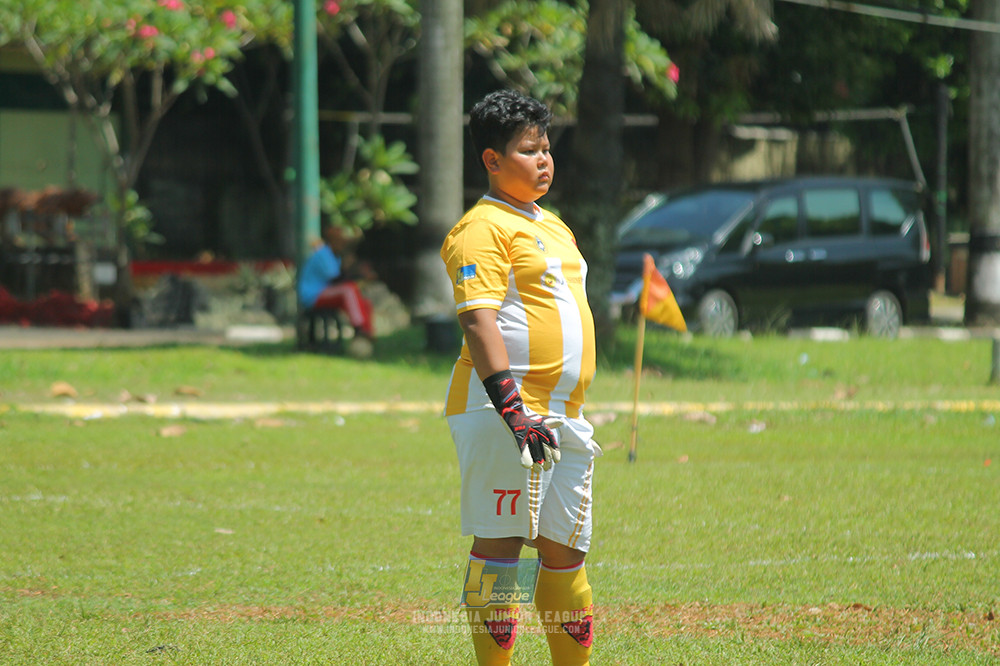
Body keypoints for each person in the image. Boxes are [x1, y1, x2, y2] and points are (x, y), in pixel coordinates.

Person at [440, 89, 601, 666]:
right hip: (503, 413)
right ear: (491, 159)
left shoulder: (554, 225)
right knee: (501, 546)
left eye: (547, 149)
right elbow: (479, 319)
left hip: (565, 417)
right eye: (529, 150)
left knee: (564, 554)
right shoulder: (480, 227)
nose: (544, 161)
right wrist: (512, 410)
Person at [297, 222, 375, 345]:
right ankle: (359, 328)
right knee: (349, 289)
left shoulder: (335, 257)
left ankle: (367, 334)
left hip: (328, 293)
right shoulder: (323, 254)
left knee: (364, 301)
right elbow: (336, 280)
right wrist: (359, 275)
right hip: (313, 296)